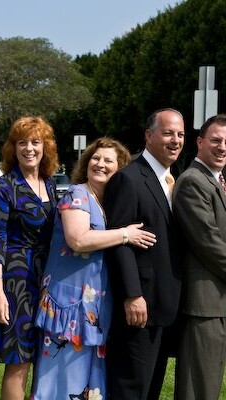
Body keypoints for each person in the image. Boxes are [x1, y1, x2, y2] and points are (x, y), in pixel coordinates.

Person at [31, 137, 157, 400]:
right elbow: (78, 240)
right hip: (68, 307)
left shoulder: (104, 203)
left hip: (93, 310)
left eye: (108, 161)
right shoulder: (77, 194)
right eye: (95, 158)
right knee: (62, 381)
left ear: (120, 168)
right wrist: (124, 234)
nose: (99, 164)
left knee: (89, 386)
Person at [103, 108, 185, 400]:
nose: (175, 140)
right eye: (167, 133)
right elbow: (119, 241)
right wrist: (132, 295)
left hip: (164, 306)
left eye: (180, 134)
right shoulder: (129, 178)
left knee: (151, 388)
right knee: (130, 389)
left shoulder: (171, 180)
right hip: (140, 306)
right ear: (149, 136)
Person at [0, 116, 58, 400]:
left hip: (46, 282)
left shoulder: (50, 184)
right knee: (19, 361)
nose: (29, 148)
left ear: (45, 147)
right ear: (12, 148)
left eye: (35, 142)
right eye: (22, 142)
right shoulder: (4, 186)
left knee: (43, 357)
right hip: (15, 285)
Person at [173, 114, 226, 400]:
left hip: (219, 302)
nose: (222, 147)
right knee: (199, 389)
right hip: (203, 305)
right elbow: (209, 243)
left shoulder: (217, 180)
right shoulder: (193, 181)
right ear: (200, 142)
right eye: (216, 140)